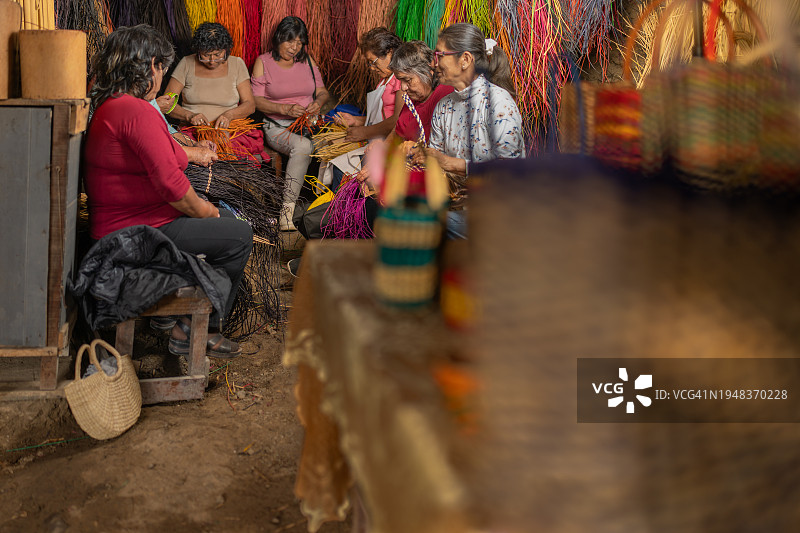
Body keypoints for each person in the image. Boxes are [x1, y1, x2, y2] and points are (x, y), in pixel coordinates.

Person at [84, 24, 251, 358]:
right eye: (160, 67)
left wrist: (195, 152)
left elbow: (167, 154)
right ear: (150, 67)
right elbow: (171, 185)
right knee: (239, 235)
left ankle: (181, 320)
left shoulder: (117, 104)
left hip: (129, 224)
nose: (161, 76)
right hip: (134, 233)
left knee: (223, 225)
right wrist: (207, 211)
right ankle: (194, 329)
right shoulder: (135, 111)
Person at [428, 23, 525, 238]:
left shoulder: (499, 105)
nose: (434, 64)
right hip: (456, 207)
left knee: (429, 223)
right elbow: (435, 161)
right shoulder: (444, 107)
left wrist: (450, 164)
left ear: (465, 59)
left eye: (440, 55)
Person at [251, 16, 331, 231]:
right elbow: (255, 101)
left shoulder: (307, 60)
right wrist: (283, 109)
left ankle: (326, 209)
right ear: (278, 38)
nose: (295, 47)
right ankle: (287, 213)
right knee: (303, 146)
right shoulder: (264, 62)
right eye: (290, 41)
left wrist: (317, 102)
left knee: (335, 142)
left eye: (299, 42)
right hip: (276, 126)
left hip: (309, 123)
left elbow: (322, 92)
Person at [163, 22, 263, 162]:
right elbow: (166, 104)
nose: (212, 61)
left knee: (230, 154)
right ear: (198, 51)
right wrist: (189, 115)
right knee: (194, 155)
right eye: (206, 55)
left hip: (230, 130)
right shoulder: (186, 63)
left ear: (226, 50)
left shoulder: (237, 64)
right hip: (193, 130)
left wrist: (229, 115)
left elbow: (250, 104)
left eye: (218, 54)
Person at [322, 27, 404, 191]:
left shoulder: (401, 79)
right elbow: (382, 115)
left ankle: (347, 214)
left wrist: (364, 131)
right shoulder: (384, 80)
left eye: (373, 62)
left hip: (391, 144)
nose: (371, 68)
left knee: (343, 173)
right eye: (369, 64)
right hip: (375, 140)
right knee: (337, 165)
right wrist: (357, 120)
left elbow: (398, 120)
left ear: (390, 52)